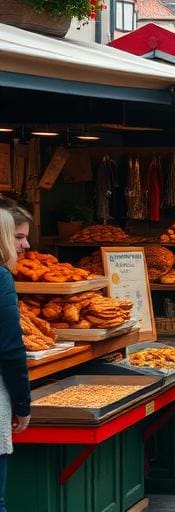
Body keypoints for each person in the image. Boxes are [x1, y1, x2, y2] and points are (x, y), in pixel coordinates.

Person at [0, 207, 31, 512]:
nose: (25, 246)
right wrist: (22, 405)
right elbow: (10, 349)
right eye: (17, 237)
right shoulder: (1, 278)